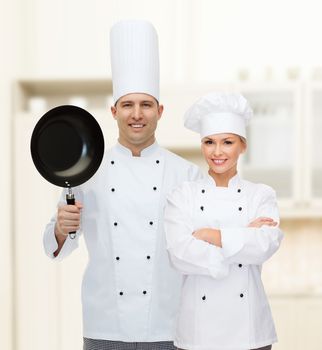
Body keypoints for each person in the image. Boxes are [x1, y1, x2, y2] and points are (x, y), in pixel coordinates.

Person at [43, 20, 202, 350]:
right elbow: (56, 245)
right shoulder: (88, 170)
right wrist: (61, 228)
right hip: (105, 325)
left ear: (160, 111)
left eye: (146, 105)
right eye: (128, 105)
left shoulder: (187, 175)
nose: (137, 114)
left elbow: (202, 250)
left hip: (168, 325)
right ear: (114, 111)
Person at [164, 92, 283, 350]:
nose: (217, 152)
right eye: (209, 142)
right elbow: (178, 255)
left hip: (249, 333)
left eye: (227, 142)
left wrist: (208, 235)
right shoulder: (183, 195)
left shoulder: (260, 194)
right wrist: (242, 236)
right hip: (198, 334)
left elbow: (265, 244)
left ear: (243, 146)